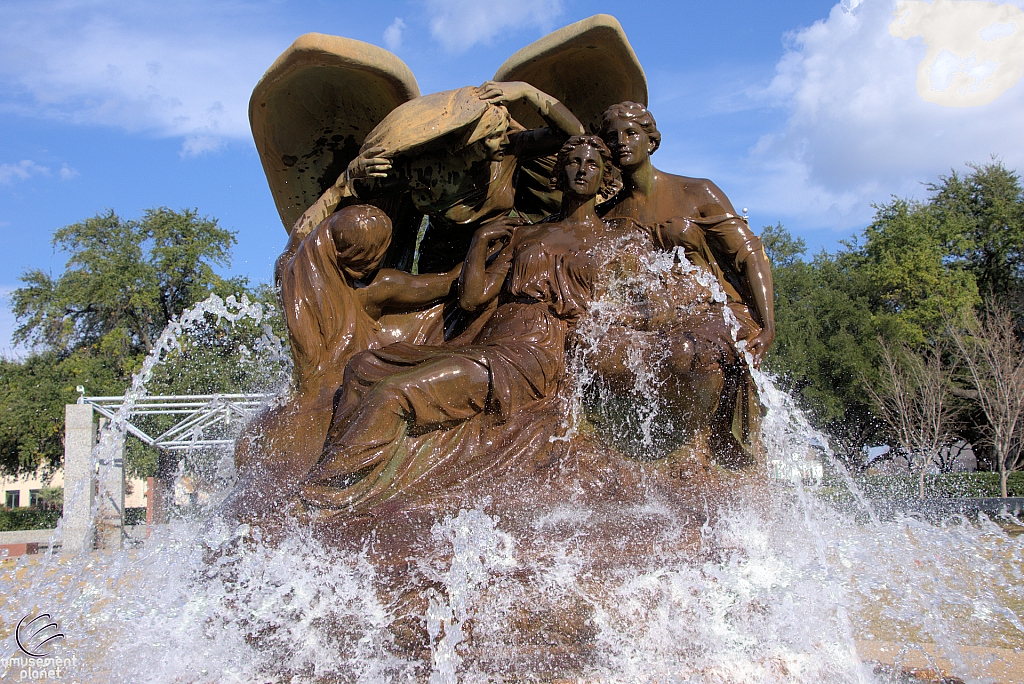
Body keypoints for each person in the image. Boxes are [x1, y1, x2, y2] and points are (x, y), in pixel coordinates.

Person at [299, 135, 617, 514]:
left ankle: (320, 500)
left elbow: (619, 310)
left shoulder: (615, 239)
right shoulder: (528, 233)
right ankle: (336, 474)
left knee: (394, 393)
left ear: (604, 178)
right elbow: (473, 298)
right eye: (573, 161)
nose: (582, 170)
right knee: (363, 366)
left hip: (534, 353)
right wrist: (480, 241)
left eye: (592, 164)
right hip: (490, 338)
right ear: (558, 174)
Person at [595, 101, 776, 462]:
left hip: (710, 308)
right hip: (652, 316)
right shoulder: (607, 215)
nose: (622, 142)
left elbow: (750, 254)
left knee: (688, 353)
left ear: (651, 140)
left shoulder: (697, 192)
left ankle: (704, 453)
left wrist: (768, 324)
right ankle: (626, 459)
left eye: (631, 133)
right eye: (612, 137)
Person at [289, 82, 585, 274]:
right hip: (444, 269)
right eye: (492, 137)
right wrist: (352, 174)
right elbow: (364, 189)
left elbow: (575, 134)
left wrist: (526, 91)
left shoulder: (510, 149)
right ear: (469, 141)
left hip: (499, 257)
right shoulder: (429, 171)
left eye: (503, 131)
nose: (502, 141)